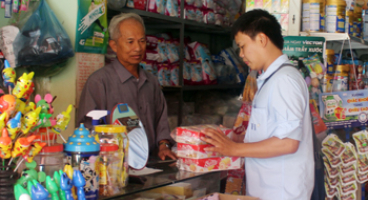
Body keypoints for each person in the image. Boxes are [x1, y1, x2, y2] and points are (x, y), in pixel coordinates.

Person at [201, 10, 314, 200]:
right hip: (269, 191)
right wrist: (239, 138)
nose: (241, 54)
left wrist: (233, 149)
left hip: (282, 193)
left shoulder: (284, 80)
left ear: (262, 39)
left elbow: (288, 142)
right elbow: (274, 132)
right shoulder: (270, 79)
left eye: (243, 46)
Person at [77, 13, 176, 160]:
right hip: (112, 166)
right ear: (114, 46)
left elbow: (161, 121)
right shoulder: (99, 82)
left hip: (151, 164)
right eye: (130, 42)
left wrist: (163, 145)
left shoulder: (151, 81)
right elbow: (86, 130)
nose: (137, 48)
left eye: (142, 41)